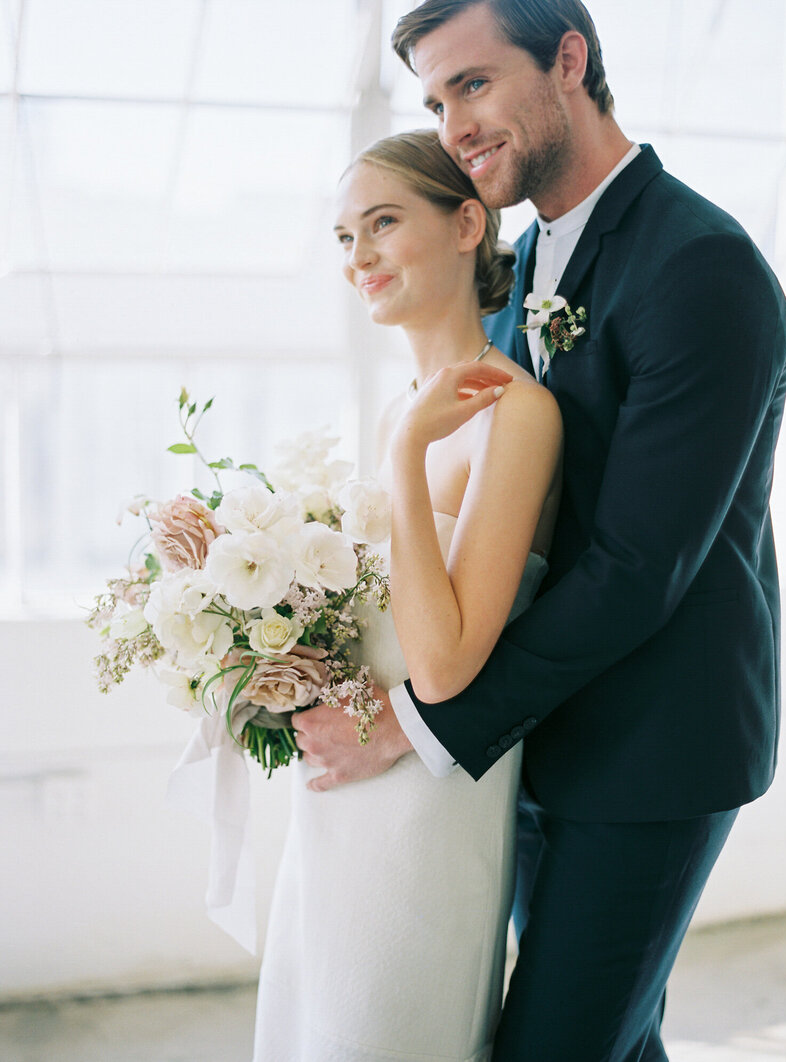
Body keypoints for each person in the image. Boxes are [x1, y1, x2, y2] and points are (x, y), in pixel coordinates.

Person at [295, 1, 786, 1060]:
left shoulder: (700, 268)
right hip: (539, 730)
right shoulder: (523, 261)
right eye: (433, 100)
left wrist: (416, 727)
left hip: (655, 747)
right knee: (613, 1040)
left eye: (471, 84)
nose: (450, 125)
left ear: (567, 60)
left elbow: (635, 568)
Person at [252, 129, 562, 1061]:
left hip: (426, 823)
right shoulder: (404, 408)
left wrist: (403, 456)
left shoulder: (518, 413)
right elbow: (382, 639)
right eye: (345, 237)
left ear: (468, 223)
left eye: (383, 224)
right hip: (345, 792)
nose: (360, 258)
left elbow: (443, 660)